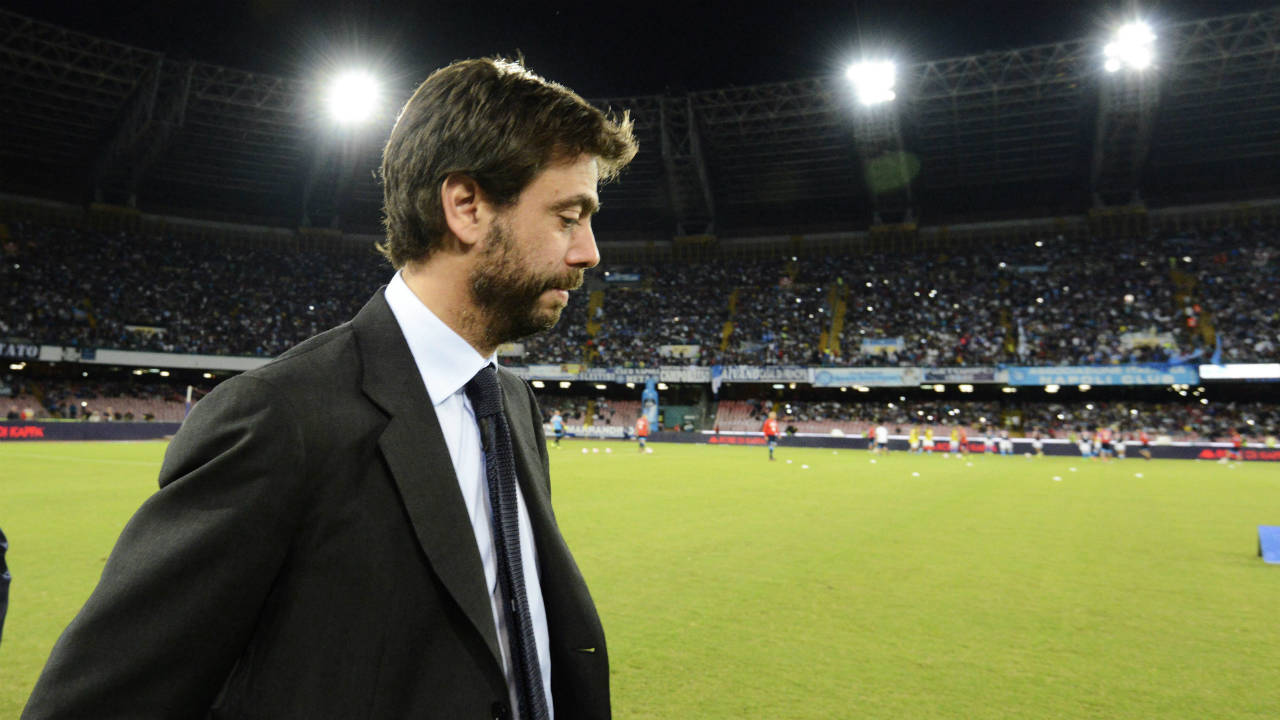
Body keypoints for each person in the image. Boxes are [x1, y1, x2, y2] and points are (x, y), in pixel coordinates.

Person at [23, 57, 637, 720]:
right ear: (466, 207)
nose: (590, 253)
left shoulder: (510, 405)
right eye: (569, 217)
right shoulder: (279, 418)